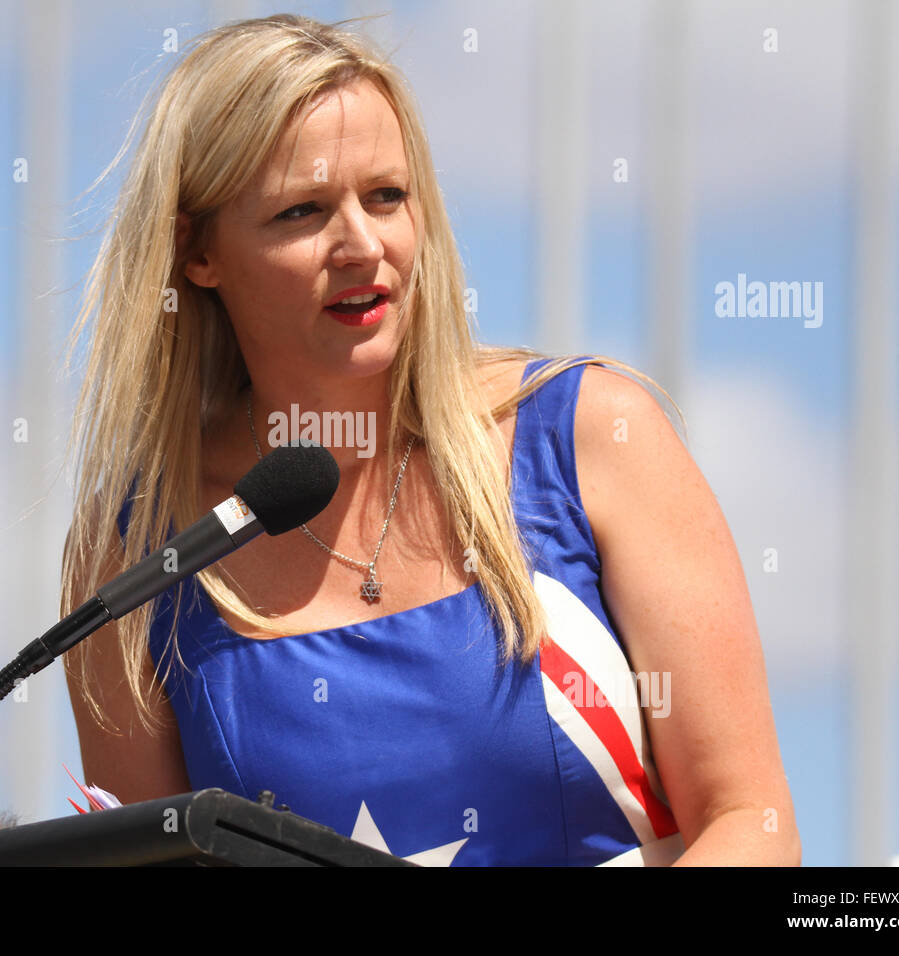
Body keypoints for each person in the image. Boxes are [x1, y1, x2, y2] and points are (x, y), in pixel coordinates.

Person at [58, 13, 799, 866]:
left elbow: (750, 820)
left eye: (386, 196)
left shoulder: (589, 436)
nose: (363, 245)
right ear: (197, 253)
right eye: (303, 211)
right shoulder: (135, 555)